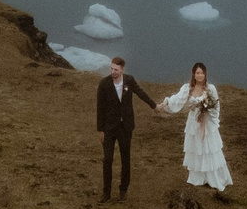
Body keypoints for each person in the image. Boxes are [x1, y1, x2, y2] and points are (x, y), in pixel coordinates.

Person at [156, 61, 232, 194]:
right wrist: (165, 103)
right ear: (193, 74)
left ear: (205, 74)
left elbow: (216, 106)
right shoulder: (187, 88)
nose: (200, 75)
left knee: (209, 150)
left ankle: (214, 178)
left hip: (206, 123)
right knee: (197, 149)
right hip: (193, 123)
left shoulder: (210, 89)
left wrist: (211, 119)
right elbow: (176, 99)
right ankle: (198, 178)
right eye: (197, 73)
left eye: (202, 73)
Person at [95, 54, 159, 200]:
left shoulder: (129, 80)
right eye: (111, 69)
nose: (113, 72)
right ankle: (106, 193)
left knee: (125, 159)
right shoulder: (104, 84)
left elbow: (140, 93)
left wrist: (153, 105)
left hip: (125, 128)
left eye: (116, 69)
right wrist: (101, 130)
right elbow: (100, 108)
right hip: (109, 129)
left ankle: (123, 191)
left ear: (122, 69)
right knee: (107, 160)